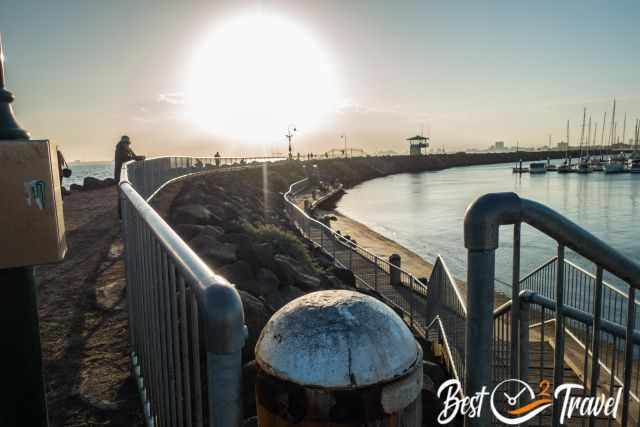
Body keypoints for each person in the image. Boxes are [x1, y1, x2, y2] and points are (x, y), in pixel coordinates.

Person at [114, 135, 145, 218]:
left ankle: (125, 214)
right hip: (119, 174)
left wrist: (138, 158)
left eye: (127, 143)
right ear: (122, 143)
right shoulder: (119, 149)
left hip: (126, 174)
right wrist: (136, 158)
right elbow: (125, 158)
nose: (126, 144)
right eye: (125, 143)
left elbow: (133, 157)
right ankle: (121, 216)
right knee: (121, 195)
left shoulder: (128, 149)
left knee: (125, 194)